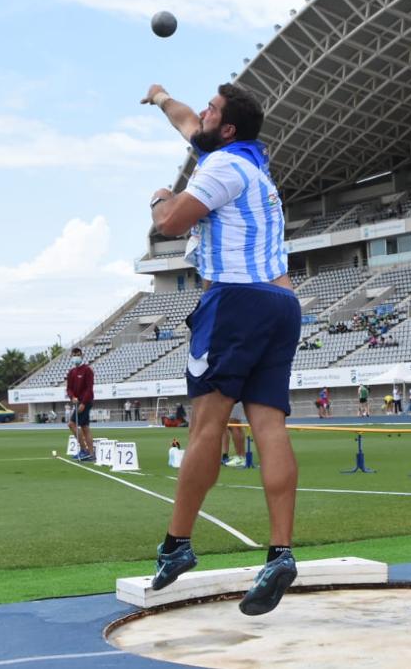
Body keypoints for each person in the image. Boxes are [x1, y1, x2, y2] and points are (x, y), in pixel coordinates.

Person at [141, 81, 300, 614]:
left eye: (211, 110)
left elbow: (168, 224)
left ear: (227, 129)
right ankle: (280, 553)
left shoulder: (221, 167)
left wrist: (161, 196)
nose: (200, 114)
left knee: (206, 426)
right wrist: (162, 98)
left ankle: (178, 544)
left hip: (235, 301)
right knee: (269, 426)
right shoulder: (251, 163)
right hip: (281, 303)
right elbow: (187, 122)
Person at [65, 348, 96, 461]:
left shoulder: (87, 370)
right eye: (74, 355)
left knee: (71, 424)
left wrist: (83, 403)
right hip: (77, 402)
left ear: (82, 355)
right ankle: (91, 454)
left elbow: (89, 388)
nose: (76, 357)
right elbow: (69, 388)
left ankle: (84, 450)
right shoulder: (72, 372)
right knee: (85, 427)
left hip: (85, 402)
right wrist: (72, 397)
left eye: (78, 355)